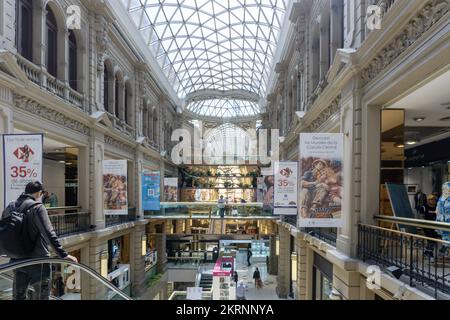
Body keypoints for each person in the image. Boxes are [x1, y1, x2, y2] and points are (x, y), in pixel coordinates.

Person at [1, 181, 77, 300]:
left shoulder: (11, 206)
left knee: (18, 296)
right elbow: (48, 233)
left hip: (17, 259)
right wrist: (63, 255)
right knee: (42, 295)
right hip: (38, 259)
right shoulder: (37, 207)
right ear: (39, 193)